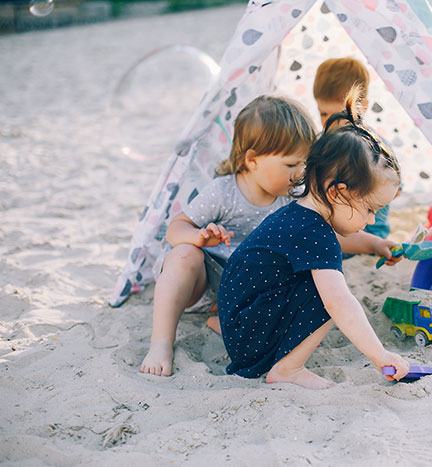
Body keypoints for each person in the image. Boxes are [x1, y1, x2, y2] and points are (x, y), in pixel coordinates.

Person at [217, 86, 411, 389]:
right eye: (371, 209)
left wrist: (373, 244)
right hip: (249, 340)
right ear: (338, 192)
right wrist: (380, 355)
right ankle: (287, 370)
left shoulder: (301, 215)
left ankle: (285, 357)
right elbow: (339, 304)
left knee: (324, 286)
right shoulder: (313, 232)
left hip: (241, 326)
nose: (372, 220)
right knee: (331, 295)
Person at [140, 95, 316, 377]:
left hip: (246, 292)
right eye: (291, 165)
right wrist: (198, 237)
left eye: (305, 163)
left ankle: (224, 319)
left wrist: (373, 243)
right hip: (206, 281)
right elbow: (176, 229)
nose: (301, 173)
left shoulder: (290, 200)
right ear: (252, 160)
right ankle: (161, 342)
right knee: (184, 254)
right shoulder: (224, 192)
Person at [313, 57, 392, 239]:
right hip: (331, 226)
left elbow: (393, 187)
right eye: (323, 113)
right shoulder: (320, 142)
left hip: (368, 230)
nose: (330, 122)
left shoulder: (374, 147)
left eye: (339, 114)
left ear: (362, 108)